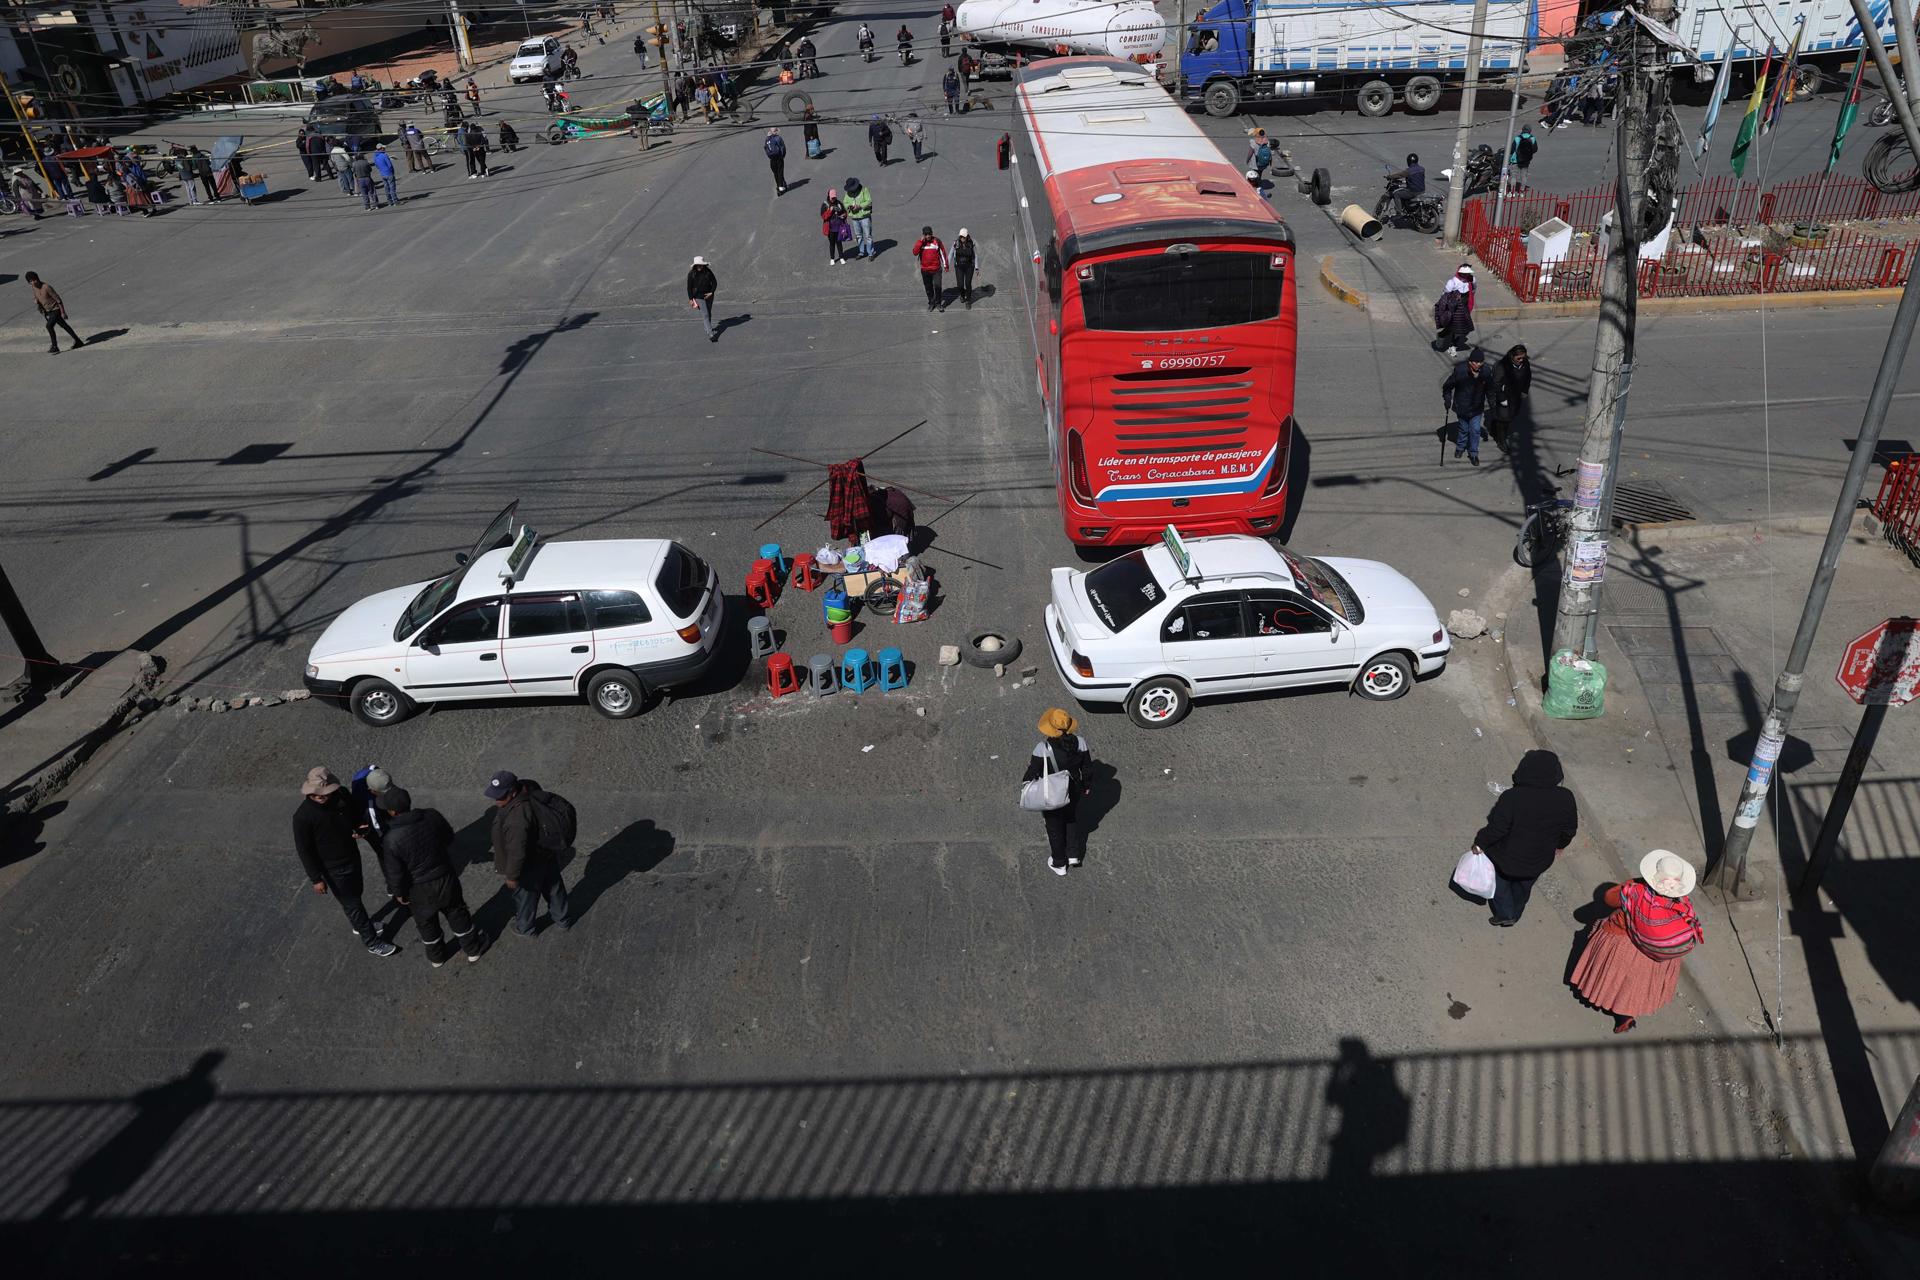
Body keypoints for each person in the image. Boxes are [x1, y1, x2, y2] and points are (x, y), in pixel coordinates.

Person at [1571, 851, 1705, 1033]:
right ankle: (1626, 1015)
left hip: (1622, 943)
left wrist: (1634, 882)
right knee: (1634, 985)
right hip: (1655, 954)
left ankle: (1614, 1007)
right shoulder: (1682, 901)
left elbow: (1609, 898)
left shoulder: (1635, 891)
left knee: (1616, 980)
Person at [293, 767, 398, 956]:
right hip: (332, 868)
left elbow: (354, 816)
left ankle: (361, 924)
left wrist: (359, 827)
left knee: (356, 895)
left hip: (351, 855)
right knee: (352, 904)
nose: (322, 797)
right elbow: (304, 850)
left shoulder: (340, 795)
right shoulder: (302, 817)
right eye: (317, 795)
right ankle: (371, 941)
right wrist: (316, 879)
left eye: (325, 793)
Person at [378, 788, 487, 967]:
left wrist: (398, 893)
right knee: (457, 912)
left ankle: (437, 957)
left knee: (426, 923)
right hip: (444, 877)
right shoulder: (431, 816)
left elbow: (394, 872)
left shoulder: (391, 839)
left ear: (392, 812)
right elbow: (449, 837)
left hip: (417, 888)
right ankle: (473, 949)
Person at [1471, 750, 1577, 926]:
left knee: (1499, 884)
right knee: (1524, 887)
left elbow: (1497, 829)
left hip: (1506, 859)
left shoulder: (1512, 797)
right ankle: (1516, 912)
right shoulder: (1566, 797)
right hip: (1539, 859)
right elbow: (1569, 830)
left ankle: (1506, 914)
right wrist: (1560, 845)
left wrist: (1480, 843)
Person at [486, 771, 573, 936]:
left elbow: (516, 852)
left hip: (529, 863)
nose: (496, 799)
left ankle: (525, 928)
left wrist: (512, 875)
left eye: (501, 795)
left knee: (526, 898)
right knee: (554, 889)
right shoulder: (529, 788)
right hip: (546, 853)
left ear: (512, 792)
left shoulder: (516, 819)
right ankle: (563, 920)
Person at [1023, 708, 1093, 875]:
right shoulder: (1081, 742)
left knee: (1054, 828)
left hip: (1052, 793)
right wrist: (1086, 785)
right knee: (1071, 819)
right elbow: (1087, 767)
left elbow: (1033, 771)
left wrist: (1026, 783)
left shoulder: (1042, 747)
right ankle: (1073, 854)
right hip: (1074, 789)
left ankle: (1059, 862)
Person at [1440, 347, 1491, 465]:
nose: (1478, 365)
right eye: (1476, 362)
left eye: (1481, 362)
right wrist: (1447, 399)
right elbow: (1447, 387)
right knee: (1464, 429)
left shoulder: (1486, 372)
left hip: (1477, 407)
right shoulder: (1460, 371)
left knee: (1475, 430)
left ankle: (1473, 453)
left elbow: (1490, 388)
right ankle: (1460, 447)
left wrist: (1492, 401)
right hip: (1462, 406)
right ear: (1470, 362)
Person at [1487, 344, 1531, 454]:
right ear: (1512, 356)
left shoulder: (1525, 364)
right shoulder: (1502, 366)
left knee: (1510, 416)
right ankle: (1501, 441)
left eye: (1523, 358)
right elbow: (1495, 384)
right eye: (1519, 358)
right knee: (1503, 419)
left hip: (1516, 397)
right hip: (1503, 397)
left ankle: (1495, 428)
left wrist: (1524, 391)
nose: (1521, 360)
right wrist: (1502, 398)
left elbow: (1528, 377)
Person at [25, 271, 83, 353]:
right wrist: (36, 300)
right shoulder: (33, 287)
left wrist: (63, 312)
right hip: (48, 311)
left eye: (34, 280)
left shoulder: (46, 287)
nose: (33, 282)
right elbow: (36, 295)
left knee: (49, 326)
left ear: (37, 279)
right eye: (30, 281)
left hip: (55, 310)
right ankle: (78, 341)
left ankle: (55, 346)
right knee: (65, 326)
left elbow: (58, 300)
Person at [1431, 265, 1474, 357]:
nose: (1466, 275)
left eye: (1467, 273)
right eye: (1464, 273)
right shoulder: (1452, 282)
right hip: (1453, 308)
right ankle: (1442, 335)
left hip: (1463, 308)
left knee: (1460, 329)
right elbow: (1445, 295)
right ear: (1460, 273)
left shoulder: (1471, 280)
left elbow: (1473, 290)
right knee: (1452, 328)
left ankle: (1453, 346)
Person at [911, 225, 949, 311]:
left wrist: (946, 265)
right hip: (925, 270)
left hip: (936, 270)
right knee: (928, 288)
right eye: (926, 234)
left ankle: (938, 304)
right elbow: (915, 252)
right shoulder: (920, 243)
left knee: (938, 287)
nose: (928, 236)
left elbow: (942, 253)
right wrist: (920, 242)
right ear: (923, 235)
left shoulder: (937, 241)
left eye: (929, 234)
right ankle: (931, 303)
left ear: (932, 234)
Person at [1383, 151, 1424, 221]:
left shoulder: (1409, 171)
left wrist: (1389, 177)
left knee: (1397, 194)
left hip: (1413, 191)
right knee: (1404, 191)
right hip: (1422, 190)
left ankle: (1399, 213)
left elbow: (1399, 175)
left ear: (1408, 161)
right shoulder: (1422, 169)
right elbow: (1416, 178)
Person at [687, 254, 718, 341]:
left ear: (704, 265)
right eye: (697, 265)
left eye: (701, 265)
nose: (699, 266)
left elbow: (715, 282)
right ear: (695, 266)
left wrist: (711, 292)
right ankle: (711, 334)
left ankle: (707, 328)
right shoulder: (691, 274)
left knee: (709, 313)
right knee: (705, 314)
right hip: (698, 297)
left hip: (709, 296)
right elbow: (689, 287)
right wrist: (690, 299)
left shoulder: (708, 272)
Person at [843, 177, 874, 259]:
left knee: (868, 236)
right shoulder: (848, 193)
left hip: (864, 216)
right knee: (858, 236)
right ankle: (861, 252)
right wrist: (849, 206)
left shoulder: (864, 190)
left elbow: (869, 201)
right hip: (855, 217)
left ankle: (871, 253)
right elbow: (845, 202)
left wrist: (859, 206)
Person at [952, 228, 978, 309]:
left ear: (967, 236)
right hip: (959, 267)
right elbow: (951, 254)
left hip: (969, 266)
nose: (962, 238)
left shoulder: (972, 243)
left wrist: (977, 267)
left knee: (967, 283)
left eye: (963, 237)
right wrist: (946, 264)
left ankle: (968, 300)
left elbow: (975, 255)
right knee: (960, 285)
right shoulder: (956, 243)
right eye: (961, 236)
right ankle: (962, 295)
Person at [822, 188, 849, 264]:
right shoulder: (825, 204)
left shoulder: (839, 203)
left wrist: (844, 215)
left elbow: (844, 212)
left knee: (839, 243)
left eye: (834, 197)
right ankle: (832, 259)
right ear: (829, 196)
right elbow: (824, 216)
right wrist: (830, 211)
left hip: (839, 228)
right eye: (832, 197)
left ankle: (841, 257)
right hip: (830, 229)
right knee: (832, 244)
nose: (833, 199)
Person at [764, 127, 788, 195]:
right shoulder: (778, 138)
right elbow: (783, 148)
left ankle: (779, 185)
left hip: (772, 159)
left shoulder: (767, 139)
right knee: (780, 172)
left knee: (775, 173)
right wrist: (782, 156)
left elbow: (766, 148)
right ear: (776, 131)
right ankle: (781, 187)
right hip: (779, 158)